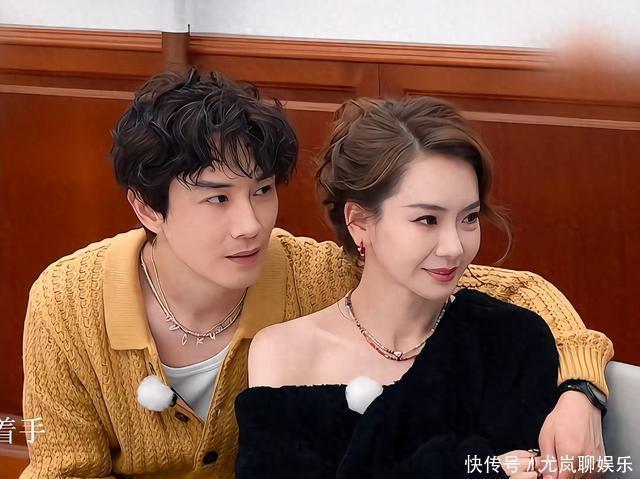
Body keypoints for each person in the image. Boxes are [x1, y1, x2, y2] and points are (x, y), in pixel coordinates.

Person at [21, 70, 612, 478]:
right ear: (147, 207)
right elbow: (61, 468)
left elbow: (514, 291)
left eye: (261, 191)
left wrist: (579, 391)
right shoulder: (67, 301)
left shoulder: (313, 273)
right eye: (217, 198)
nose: (251, 225)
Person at [237, 97, 611, 479]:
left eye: (469, 218)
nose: (454, 247)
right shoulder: (285, 353)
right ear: (359, 222)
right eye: (427, 220)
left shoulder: (510, 341)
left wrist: (582, 391)